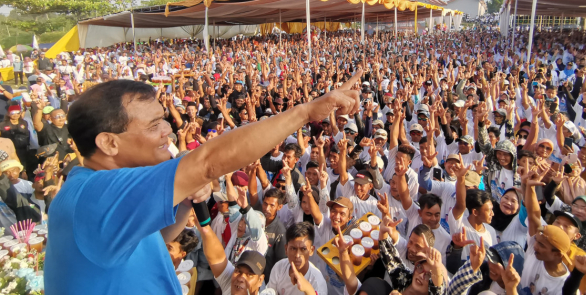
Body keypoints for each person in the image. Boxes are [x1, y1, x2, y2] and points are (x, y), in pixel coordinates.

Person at [45, 72, 362, 293]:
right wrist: (306, 111)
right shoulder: (97, 196)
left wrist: (184, 202)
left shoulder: (96, 186)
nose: (167, 131)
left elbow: (152, 239)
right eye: (154, 124)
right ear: (109, 143)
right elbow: (210, 161)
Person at [267, 222, 327, 295]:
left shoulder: (317, 281)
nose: (297, 255)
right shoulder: (279, 267)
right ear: (286, 249)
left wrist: (308, 289)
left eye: (303, 249)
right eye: (293, 248)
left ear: (311, 250)